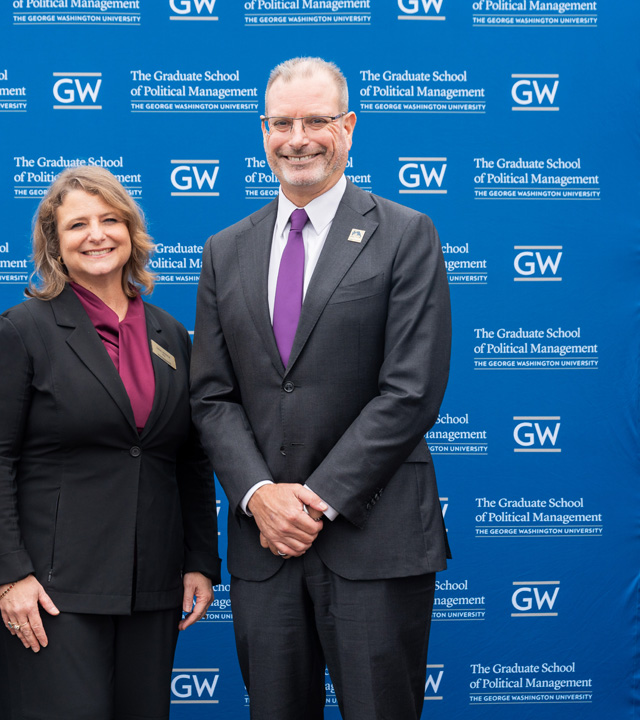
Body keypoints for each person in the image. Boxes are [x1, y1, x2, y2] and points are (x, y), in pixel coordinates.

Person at [190, 57, 451, 719]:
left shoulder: (406, 234)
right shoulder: (225, 249)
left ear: (349, 127)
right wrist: (258, 495)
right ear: (263, 131)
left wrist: (315, 500)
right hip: (265, 547)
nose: (298, 137)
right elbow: (212, 395)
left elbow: (411, 388)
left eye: (316, 120)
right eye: (282, 122)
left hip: (375, 535)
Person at [0, 165, 221, 719]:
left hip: (151, 585)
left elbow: (190, 459)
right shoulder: (23, 329)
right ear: (55, 243)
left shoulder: (170, 334)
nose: (97, 234)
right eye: (78, 225)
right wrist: (9, 575)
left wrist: (200, 559)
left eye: (111, 220)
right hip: (54, 591)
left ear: (132, 232)